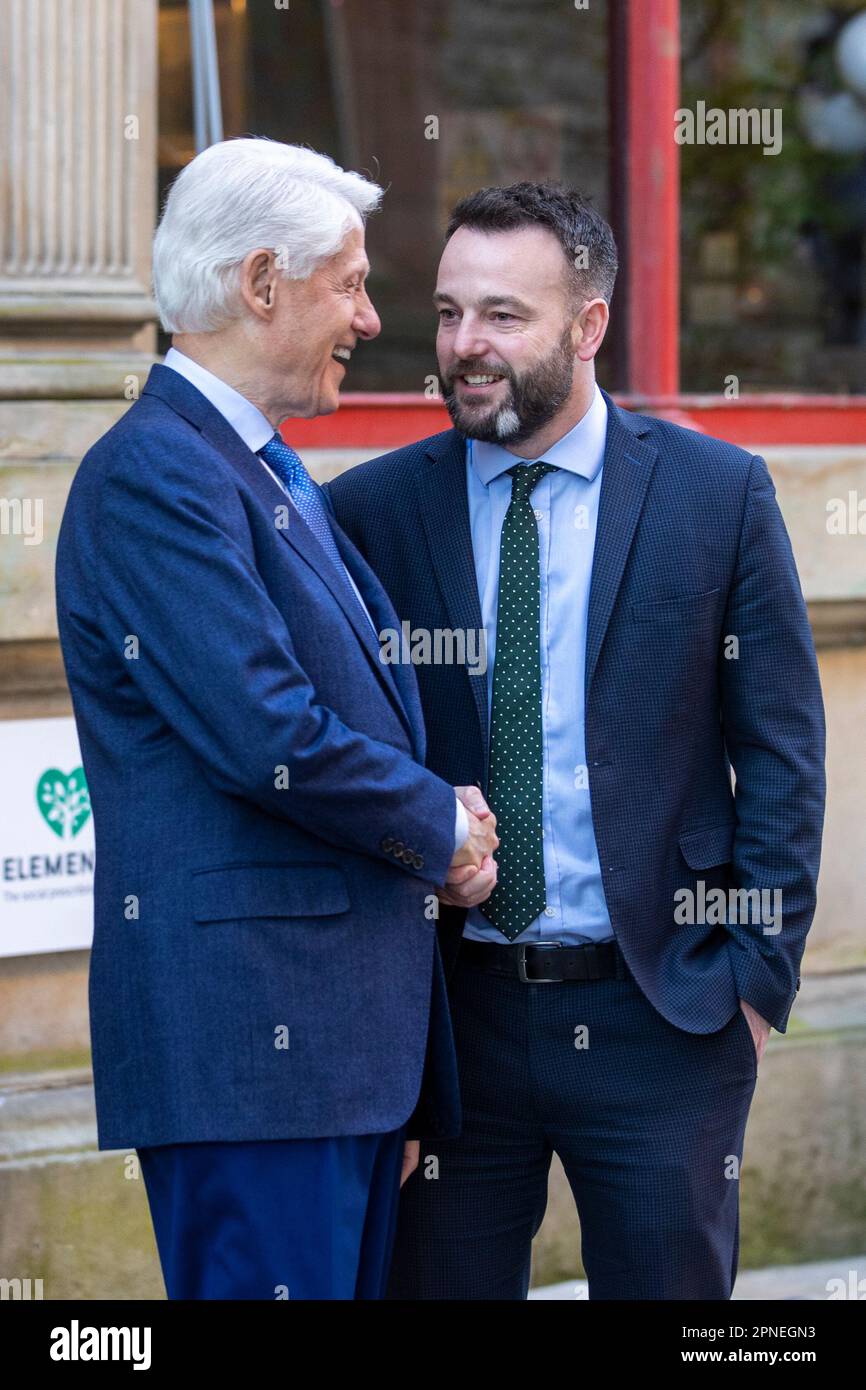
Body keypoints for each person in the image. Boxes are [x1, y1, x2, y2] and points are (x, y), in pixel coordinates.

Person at [327, 181, 827, 1300]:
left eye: (502, 314)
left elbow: (783, 753)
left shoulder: (717, 494)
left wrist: (751, 983)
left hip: (664, 1015)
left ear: (588, 323)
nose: (464, 345)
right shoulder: (368, 512)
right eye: (449, 314)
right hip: (452, 1029)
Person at [54, 138, 497, 1301]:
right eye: (346, 280)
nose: (366, 313)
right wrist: (438, 827)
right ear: (260, 285)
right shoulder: (156, 473)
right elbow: (268, 734)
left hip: (337, 1063)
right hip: (255, 1057)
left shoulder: (259, 468)